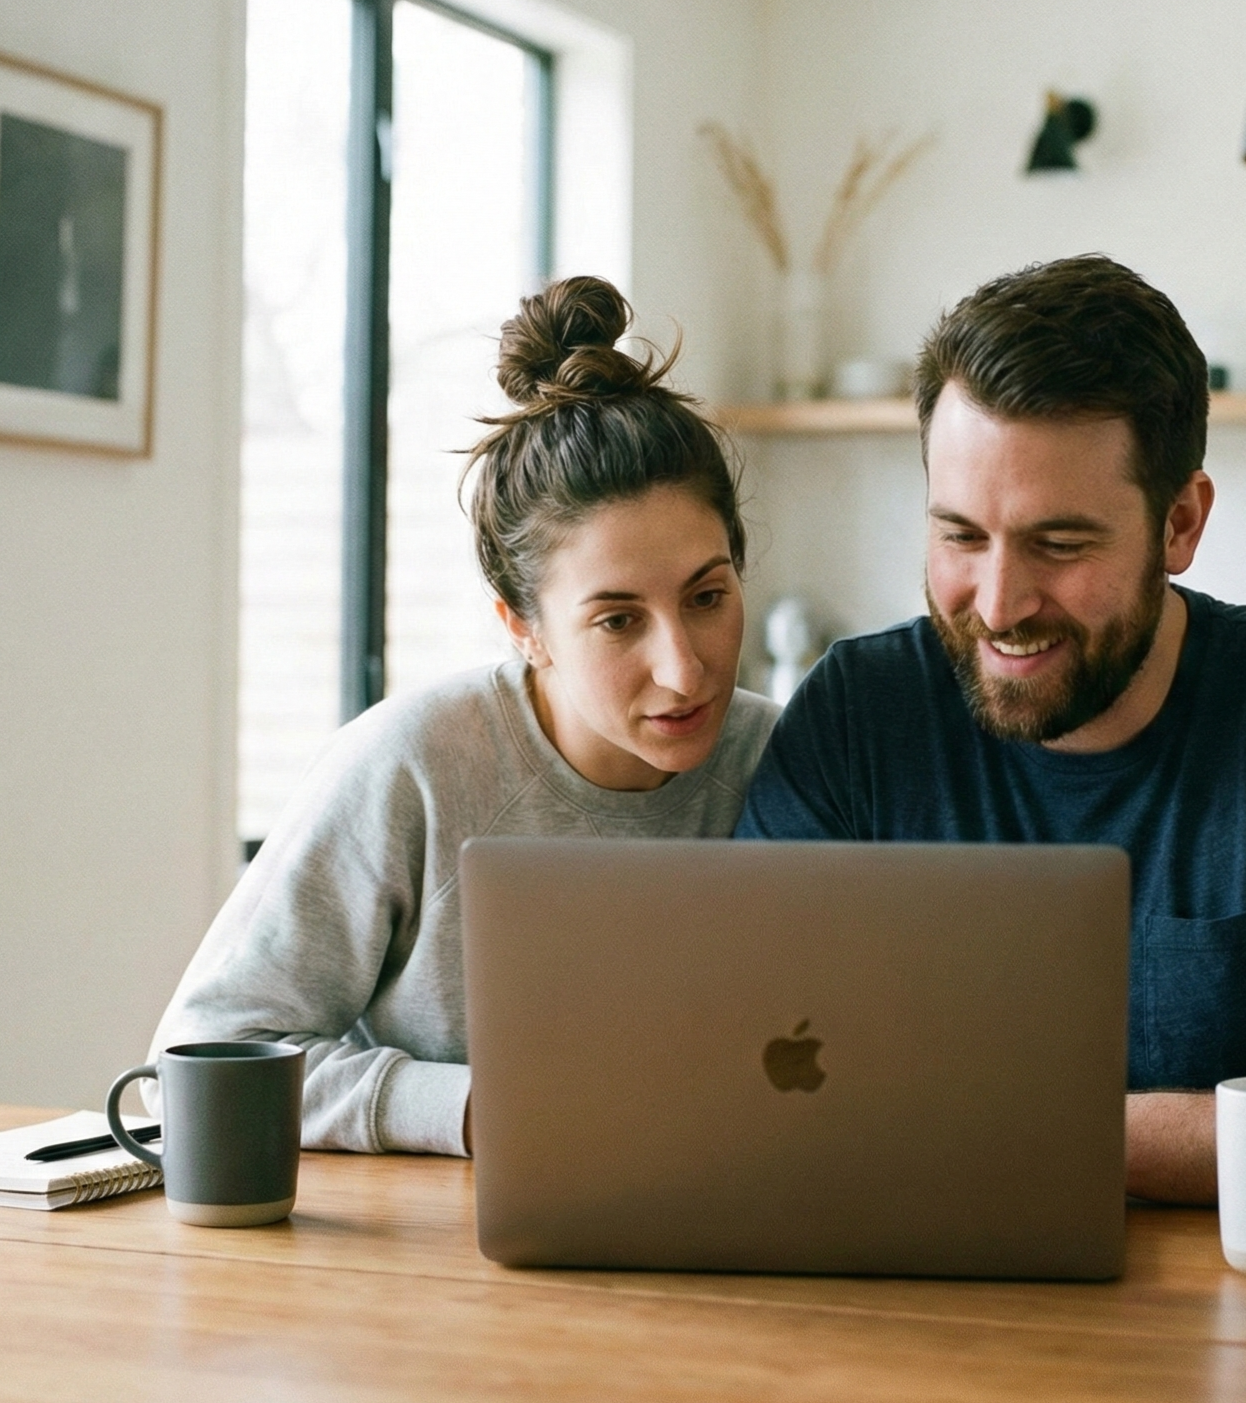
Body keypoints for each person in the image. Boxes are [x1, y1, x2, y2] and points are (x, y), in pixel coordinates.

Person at [737, 254, 1246, 1207]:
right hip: (930, 1308)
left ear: (1179, 523)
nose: (999, 603)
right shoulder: (856, 713)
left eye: (1059, 543)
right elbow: (748, 1071)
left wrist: (1062, 1138)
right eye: (961, 535)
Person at [153, 277, 778, 1155]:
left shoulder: (788, 759)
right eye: (617, 619)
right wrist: (480, 1108)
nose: (684, 667)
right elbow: (200, 1056)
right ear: (523, 627)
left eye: (708, 596)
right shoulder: (410, 763)